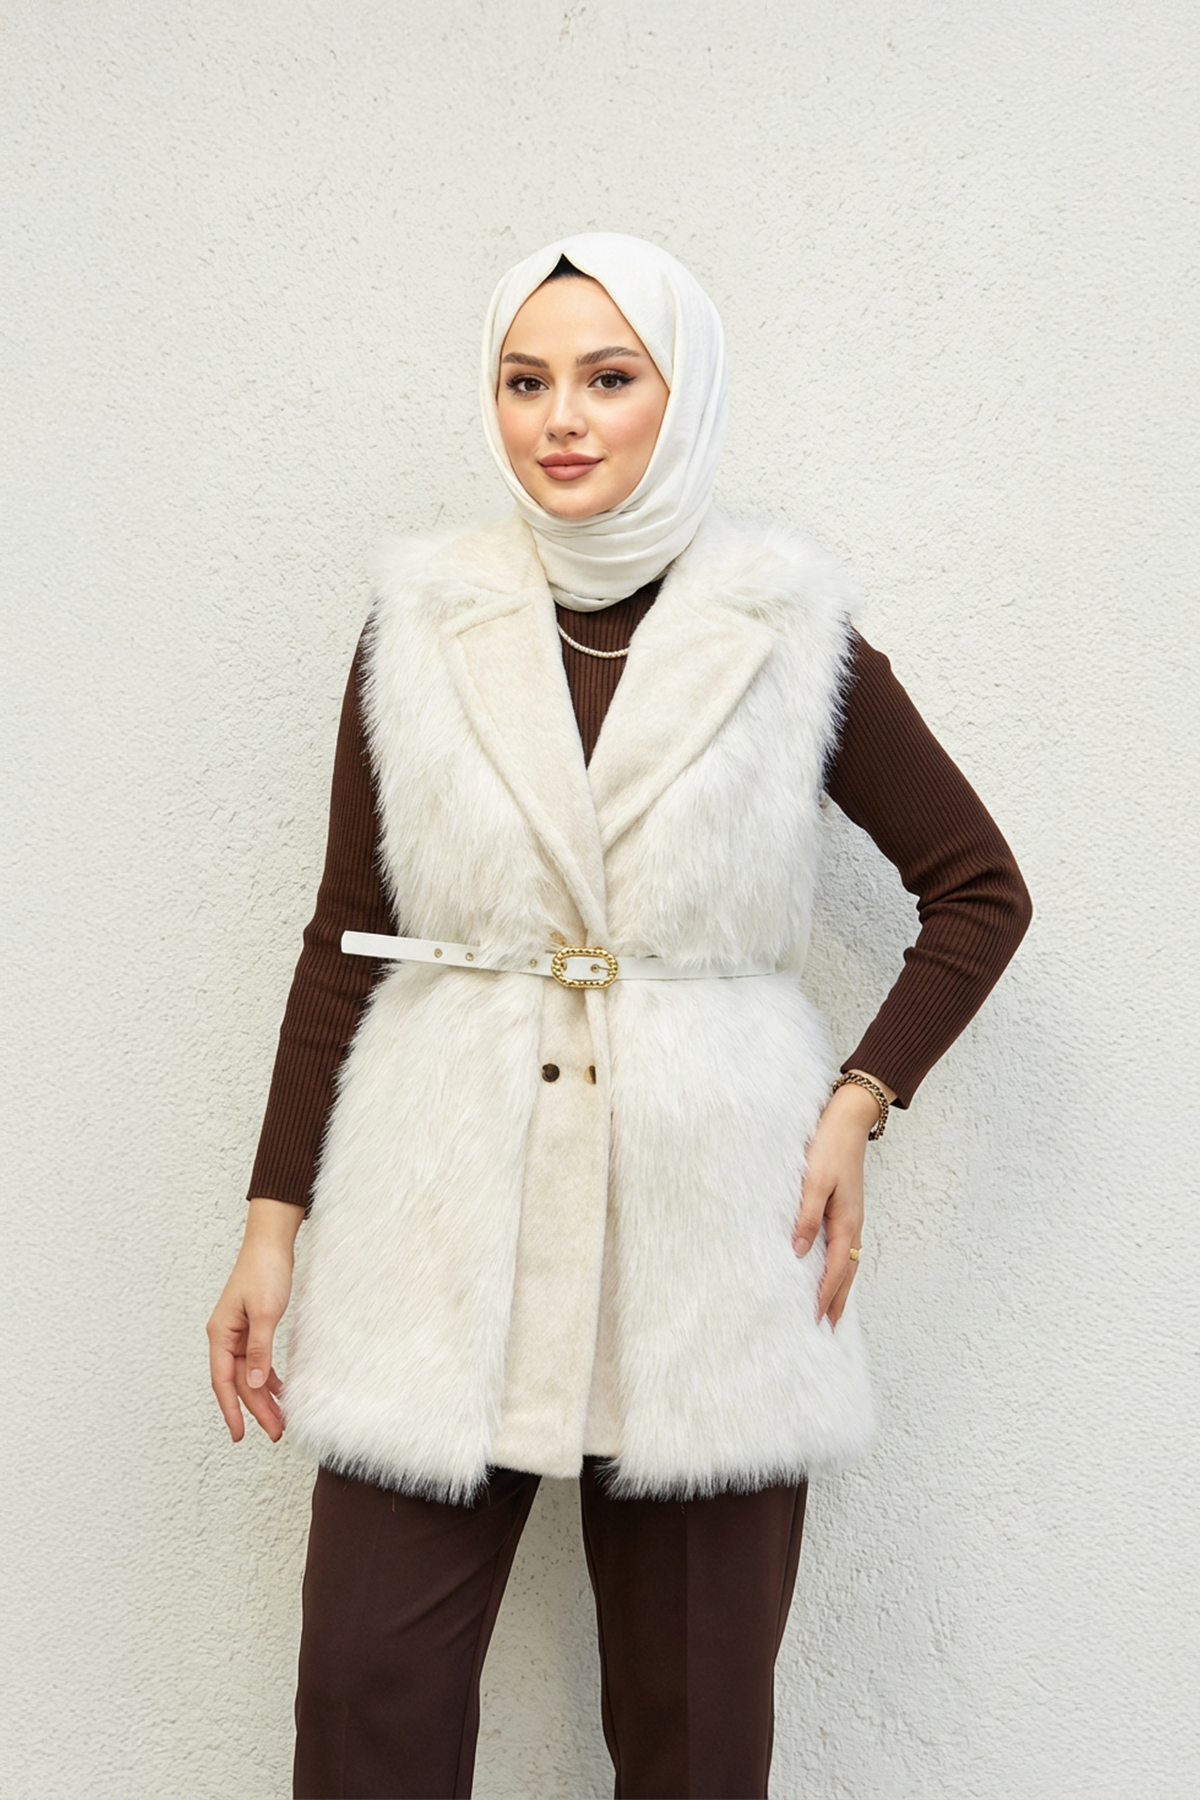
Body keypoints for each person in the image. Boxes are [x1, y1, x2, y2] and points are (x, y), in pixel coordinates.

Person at [207, 233, 1031, 1800]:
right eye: (525, 382)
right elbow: (341, 939)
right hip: (440, 1222)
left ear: (683, 393)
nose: (562, 419)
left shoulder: (791, 636)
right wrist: (270, 1227)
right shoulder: (420, 625)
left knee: (696, 1736)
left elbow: (979, 892)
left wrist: (860, 1099)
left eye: (607, 378)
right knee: (365, 1702)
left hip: (713, 1230)